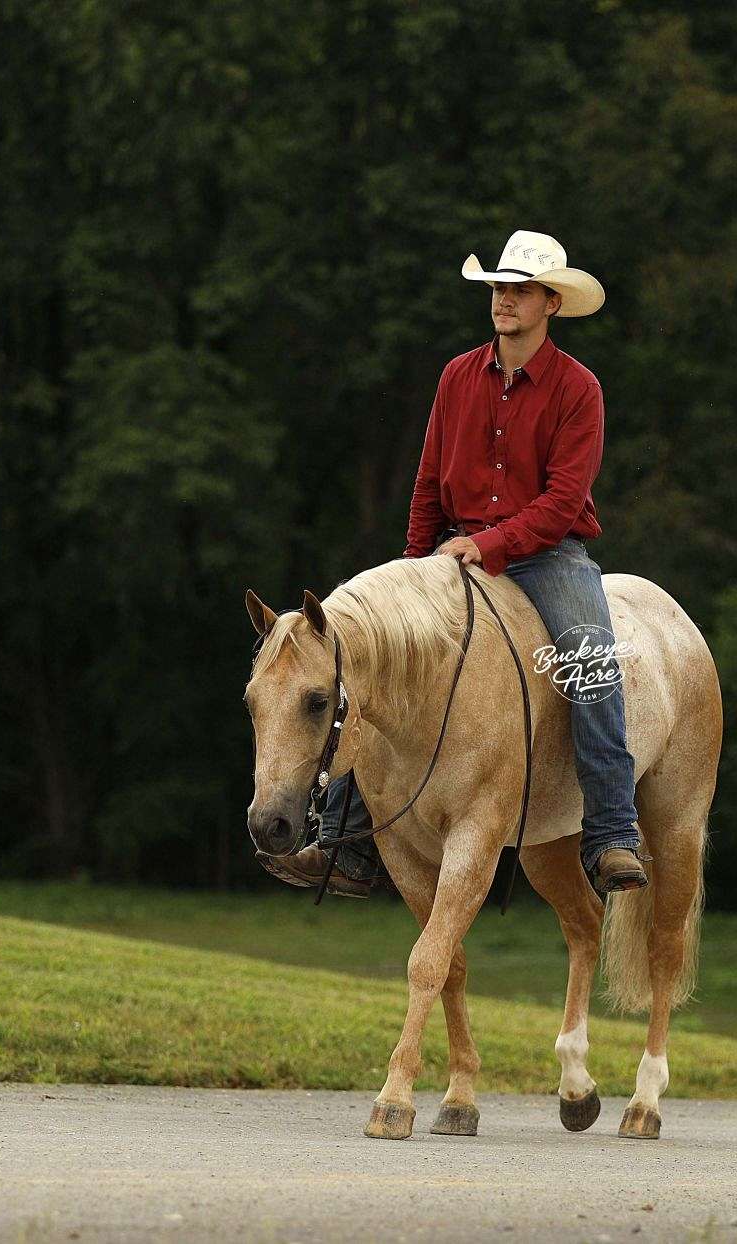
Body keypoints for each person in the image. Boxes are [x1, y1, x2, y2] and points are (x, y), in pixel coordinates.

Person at [258, 230, 647, 899]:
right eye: (497, 287)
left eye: (519, 289)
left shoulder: (579, 388)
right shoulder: (457, 376)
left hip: (547, 555)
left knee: (590, 661)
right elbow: (428, 483)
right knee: (369, 658)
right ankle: (348, 848)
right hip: (453, 551)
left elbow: (563, 501)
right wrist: (413, 573)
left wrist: (491, 545)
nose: (504, 299)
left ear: (551, 303)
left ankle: (612, 832)